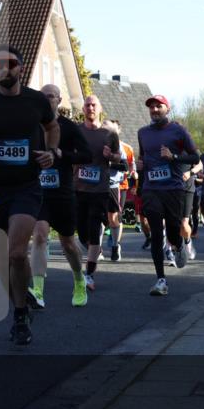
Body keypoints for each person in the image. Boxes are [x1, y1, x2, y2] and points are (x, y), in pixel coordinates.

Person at [0, 46, 59, 345]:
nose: (4, 69)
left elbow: (52, 126)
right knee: (3, 258)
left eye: (10, 64)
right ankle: (20, 306)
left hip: (26, 187)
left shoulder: (35, 101)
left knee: (17, 252)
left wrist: (50, 152)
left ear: (21, 68)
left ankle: (19, 316)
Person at [28, 85, 93, 308]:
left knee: (68, 243)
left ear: (59, 100)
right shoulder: (32, 126)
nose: (47, 101)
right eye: (43, 97)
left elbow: (87, 155)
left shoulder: (69, 127)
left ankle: (78, 279)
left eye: (51, 97)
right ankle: (37, 289)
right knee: (39, 235)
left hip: (63, 192)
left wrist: (62, 154)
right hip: (39, 191)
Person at [136, 94, 199, 296]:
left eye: (159, 106)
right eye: (152, 107)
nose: (154, 110)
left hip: (173, 188)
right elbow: (142, 157)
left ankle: (179, 245)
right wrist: (140, 165)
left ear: (167, 109)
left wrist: (174, 157)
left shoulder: (178, 131)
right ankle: (161, 280)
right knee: (156, 233)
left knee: (173, 230)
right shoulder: (143, 133)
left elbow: (195, 156)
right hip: (151, 188)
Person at [73, 96, 121, 294]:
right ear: (83, 109)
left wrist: (111, 156)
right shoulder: (76, 131)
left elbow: (119, 158)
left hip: (99, 190)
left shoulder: (109, 133)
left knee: (94, 233)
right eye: (87, 105)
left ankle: (89, 274)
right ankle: (95, 251)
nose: (90, 107)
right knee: (81, 232)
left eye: (94, 105)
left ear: (100, 108)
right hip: (78, 189)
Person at [103, 119, 136, 262]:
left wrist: (110, 162)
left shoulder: (124, 148)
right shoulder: (95, 141)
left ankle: (116, 245)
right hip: (96, 185)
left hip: (118, 184)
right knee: (98, 217)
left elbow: (127, 167)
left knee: (115, 217)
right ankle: (97, 247)